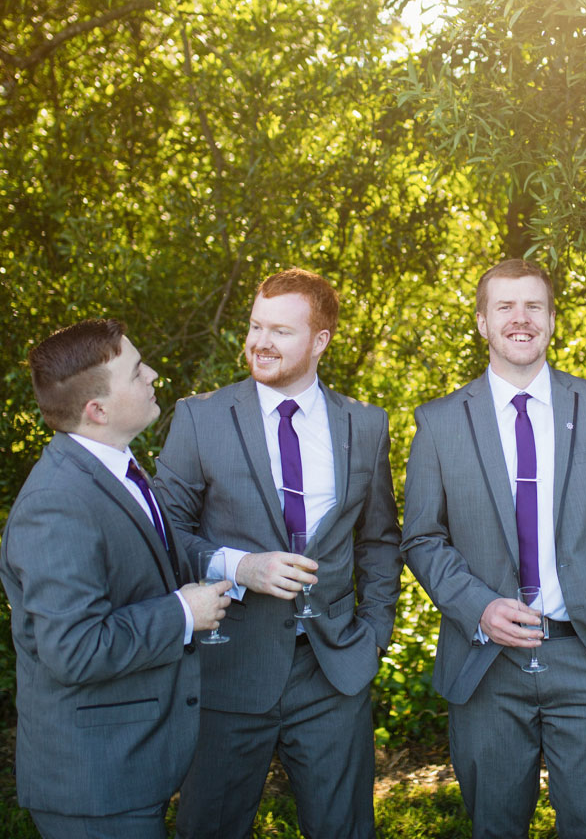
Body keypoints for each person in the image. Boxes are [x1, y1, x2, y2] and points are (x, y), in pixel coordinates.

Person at [402, 258, 586, 839]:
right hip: (486, 665)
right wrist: (477, 606)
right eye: (505, 307)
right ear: (482, 323)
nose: (521, 318)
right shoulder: (440, 423)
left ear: (551, 320)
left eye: (534, 306)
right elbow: (421, 536)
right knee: (495, 828)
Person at [155, 268, 401, 839]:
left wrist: (374, 633)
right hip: (227, 667)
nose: (260, 341)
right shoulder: (201, 417)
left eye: (281, 331)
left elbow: (380, 540)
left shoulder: (364, 425)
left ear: (320, 340)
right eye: (255, 325)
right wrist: (239, 566)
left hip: (332, 668)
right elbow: (165, 531)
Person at [0, 318, 231, 839]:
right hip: (94, 782)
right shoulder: (56, 505)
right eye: (135, 371)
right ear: (96, 410)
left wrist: (239, 566)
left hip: (128, 767)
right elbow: (74, 649)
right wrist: (181, 613)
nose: (153, 375)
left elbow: (151, 561)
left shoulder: (115, 468)